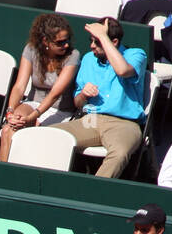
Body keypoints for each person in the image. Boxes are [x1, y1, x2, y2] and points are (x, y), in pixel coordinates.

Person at [55, 16, 148, 178]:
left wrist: (103, 37)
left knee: (119, 154)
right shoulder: (88, 59)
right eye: (91, 41)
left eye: (96, 42)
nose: (92, 46)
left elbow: (122, 71)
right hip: (91, 119)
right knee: (47, 136)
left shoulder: (136, 54)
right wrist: (83, 94)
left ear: (114, 42)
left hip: (125, 123)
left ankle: (92, 195)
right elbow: (77, 103)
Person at [0, 12, 79, 161]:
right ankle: (5, 173)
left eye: (67, 40)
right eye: (60, 42)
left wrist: (32, 117)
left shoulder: (73, 55)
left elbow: (55, 94)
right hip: (33, 103)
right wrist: (10, 113)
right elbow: (19, 87)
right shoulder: (31, 49)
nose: (66, 45)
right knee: (8, 129)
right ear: (45, 41)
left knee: (35, 134)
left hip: (59, 110)